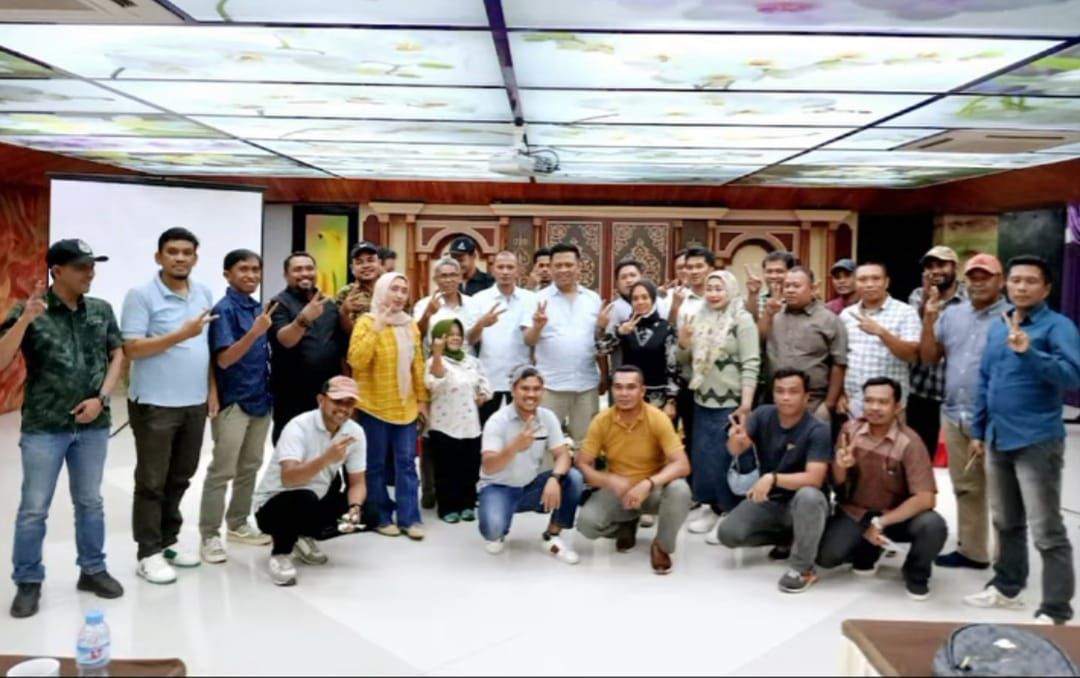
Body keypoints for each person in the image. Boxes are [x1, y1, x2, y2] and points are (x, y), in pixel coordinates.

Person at [2, 240, 125, 619]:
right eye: (81, 267)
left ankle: (92, 569)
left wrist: (102, 398)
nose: (90, 273)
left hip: (93, 425)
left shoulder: (101, 310)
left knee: (90, 502)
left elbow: (118, 354)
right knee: (34, 508)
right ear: (57, 270)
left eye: (92, 266)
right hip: (45, 426)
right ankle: (28, 580)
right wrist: (24, 320)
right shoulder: (30, 309)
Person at [963, 255, 1080, 625]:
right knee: (1005, 521)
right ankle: (1007, 586)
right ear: (1006, 285)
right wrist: (978, 430)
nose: (1021, 287)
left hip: (1036, 440)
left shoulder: (1058, 326)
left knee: (1046, 528)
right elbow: (986, 380)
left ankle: (1056, 608)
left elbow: (1072, 376)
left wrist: (1029, 352)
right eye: (1015, 280)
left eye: (1031, 281)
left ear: (1046, 289)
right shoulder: (1000, 326)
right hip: (997, 437)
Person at [121, 227, 216, 585]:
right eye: (172, 251)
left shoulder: (203, 292)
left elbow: (204, 349)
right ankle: (148, 553)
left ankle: (167, 541)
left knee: (181, 476)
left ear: (195, 257)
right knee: (151, 481)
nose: (180, 258)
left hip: (194, 402)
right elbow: (132, 349)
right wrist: (180, 334)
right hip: (155, 404)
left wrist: (211, 391)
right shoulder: (141, 295)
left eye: (187, 252)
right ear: (158, 257)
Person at [817, 378, 947, 601]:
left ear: (897, 407)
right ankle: (868, 550)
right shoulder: (850, 430)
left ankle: (916, 573)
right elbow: (837, 485)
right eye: (869, 401)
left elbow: (926, 498)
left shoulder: (910, 442)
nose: (874, 407)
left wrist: (881, 522)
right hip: (856, 511)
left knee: (932, 525)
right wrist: (841, 466)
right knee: (826, 558)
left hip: (895, 516)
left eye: (883, 402)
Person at [919, 253, 1007, 571]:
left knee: (1002, 492)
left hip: (998, 418)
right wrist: (929, 320)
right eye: (973, 277)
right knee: (966, 487)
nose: (978, 282)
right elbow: (929, 357)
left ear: (1001, 281)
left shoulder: (1013, 318)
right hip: (955, 413)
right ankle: (973, 551)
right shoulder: (952, 315)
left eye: (986, 276)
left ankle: (1008, 562)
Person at [715, 369, 832, 593]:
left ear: (806, 397)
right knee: (728, 534)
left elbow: (815, 478)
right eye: (780, 391)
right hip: (771, 499)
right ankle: (788, 539)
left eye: (793, 392)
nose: (785, 397)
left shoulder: (819, 429)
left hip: (805, 503)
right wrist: (736, 439)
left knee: (809, 496)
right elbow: (736, 449)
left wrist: (773, 478)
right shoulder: (763, 414)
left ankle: (802, 568)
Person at [576, 366, 692, 574]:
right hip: (618, 490)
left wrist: (648, 483)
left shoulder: (657, 418)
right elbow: (583, 463)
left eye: (631, 387)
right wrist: (608, 481)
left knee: (680, 490)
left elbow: (682, 464)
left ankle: (662, 545)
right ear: (612, 390)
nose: (624, 393)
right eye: (618, 387)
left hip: (652, 490)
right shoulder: (601, 421)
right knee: (587, 525)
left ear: (642, 390)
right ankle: (626, 525)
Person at [198, 250, 275, 564]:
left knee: (251, 465)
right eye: (243, 269)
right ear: (227, 274)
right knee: (222, 469)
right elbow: (225, 359)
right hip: (234, 401)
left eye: (256, 269)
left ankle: (239, 523)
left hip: (261, 399)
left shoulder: (258, 307)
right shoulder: (224, 310)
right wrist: (255, 332)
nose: (251, 275)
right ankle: (209, 534)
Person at [253, 377, 367, 587]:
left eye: (349, 403)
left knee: (372, 508)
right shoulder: (298, 426)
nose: (343, 408)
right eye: (337, 401)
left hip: (314, 500)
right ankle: (281, 553)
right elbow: (289, 478)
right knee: (303, 498)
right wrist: (326, 458)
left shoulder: (355, 432)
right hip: (273, 506)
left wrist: (355, 507)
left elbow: (357, 482)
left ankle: (303, 535)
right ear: (321, 400)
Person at [348, 272, 430, 540]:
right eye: (393, 289)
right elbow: (356, 361)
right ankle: (380, 516)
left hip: (405, 407)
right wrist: (377, 327)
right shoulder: (366, 322)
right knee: (375, 466)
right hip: (374, 406)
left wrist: (422, 400)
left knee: (407, 465)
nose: (399, 295)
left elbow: (417, 365)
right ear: (382, 291)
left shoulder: (410, 324)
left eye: (403, 290)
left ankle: (410, 518)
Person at [678, 270, 759, 535]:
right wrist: (684, 343)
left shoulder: (742, 319)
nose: (713, 294)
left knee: (727, 456)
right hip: (702, 399)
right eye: (710, 288)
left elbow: (751, 362)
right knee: (704, 456)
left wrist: (746, 404)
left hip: (731, 403)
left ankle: (728, 511)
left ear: (731, 290)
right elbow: (683, 360)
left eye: (719, 288)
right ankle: (709, 506)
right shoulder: (699, 316)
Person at [477, 365, 584, 564]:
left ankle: (552, 535)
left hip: (530, 486)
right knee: (493, 531)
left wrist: (554, 478)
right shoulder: (497, 421)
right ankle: (499, 529)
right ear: (513, 390)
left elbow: (562, 455)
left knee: (574, 478)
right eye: (525, 388)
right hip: (498, 487)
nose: (531, 394)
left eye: (536, 389)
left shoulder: (547, 417)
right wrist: (513, 447)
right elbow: (488, 467)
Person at [523, 242, 604, 449]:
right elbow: (528, 341)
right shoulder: (537, 299)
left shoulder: (593, 299)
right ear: (550, 268)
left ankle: (583, 472)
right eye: (558, 265)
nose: (563, 270)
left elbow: (598, 342)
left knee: (587, 445)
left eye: (568, 265)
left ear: (579, 267)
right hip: (550, 385)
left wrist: (604, 374)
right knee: (543, 444)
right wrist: (538, 326)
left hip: (586, 384)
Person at [268, 252, 349, 444]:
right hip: (291, 394)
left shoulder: (328, 303)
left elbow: (340, 346)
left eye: (309, 268)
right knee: (291, 447)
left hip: (326, 393)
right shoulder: (278, 304)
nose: (305, 273)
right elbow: (285, 340)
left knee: (325, 446)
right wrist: (304, 319)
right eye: (297, 269)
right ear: (286, 275)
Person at [425, 319, 492, 523]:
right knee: (447, 469)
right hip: (444, 425)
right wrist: (437, 354)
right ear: (439, 338)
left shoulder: (471, 361)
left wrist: (483, 395)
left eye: (458, 334)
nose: (455, 338)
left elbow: (485, 383)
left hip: (470, 425)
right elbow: (434, 384)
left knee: (469, 467)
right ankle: (448, 508)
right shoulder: (433, 361)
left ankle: (467, 505)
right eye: (449, 334)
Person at [760, 266, 847, 420]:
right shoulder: (775, 314)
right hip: (775, 399)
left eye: (796, 286)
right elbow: (759, 340)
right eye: (787, 286)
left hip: (813, 402)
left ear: (812, 289)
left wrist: (829, 404)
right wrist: (768, 314)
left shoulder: (829, 319)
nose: (790, 290)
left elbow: (839, 363)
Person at [839, 262, 921, 418]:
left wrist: (882, 333)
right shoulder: (847, 314)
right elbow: (841, 358)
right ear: (855, 283)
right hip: (854, 402)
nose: (869, 284)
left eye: (876, 278)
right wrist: (841, 394)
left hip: (890, 403)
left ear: (887, 282)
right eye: (863, 279)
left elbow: (912, 355)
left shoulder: (905, 312)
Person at [907, 246, 966, 460]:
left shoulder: (968, 298)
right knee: (920, 455)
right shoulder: (917, 295)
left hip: (957, 392)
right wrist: (926, 300)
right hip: (923, 389)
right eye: (930, 266)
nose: (935, 271)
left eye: (941, 265)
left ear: (954, 267)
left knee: (959, 458)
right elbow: (914, 333)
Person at [467, 250, 535, 425]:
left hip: (521, 377)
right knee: (486, 429)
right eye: (501, 267)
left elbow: (533, 340)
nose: (505, 272)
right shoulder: (479, 299)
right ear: (492, 270)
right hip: (488, 377)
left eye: (510, 267)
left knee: (521, 430)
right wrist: (481, 324)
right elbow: (470, 340)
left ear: (518, 271)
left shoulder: (530, 299)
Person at [596, 280, 678, 414]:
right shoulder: (624, 326)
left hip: (657, 397)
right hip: (628, 394)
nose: (640, 302)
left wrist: (671, 400)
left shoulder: (666, 328)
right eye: (635, 298)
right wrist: (619, 332)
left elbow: (672, 367)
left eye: (645, 297)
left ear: (653, 299)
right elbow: (600, 350)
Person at [668, 246, 715, 457]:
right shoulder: (680, 300)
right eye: (689, 267)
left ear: (711, 268)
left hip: (717, 380)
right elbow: (670, 335)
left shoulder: (723, 298)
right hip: (687, 379)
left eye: (699, 266)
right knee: (690, 436)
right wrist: (675, 307)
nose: (693, 271)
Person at [414, 256, 476, 350]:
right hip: (435, 358)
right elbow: (416, 336)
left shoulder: (473, 304)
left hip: (467, 358)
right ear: (435, 279)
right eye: (443, 276)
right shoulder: (423, 305)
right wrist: (427, 314)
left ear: (460, 278)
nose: (448, 280)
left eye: (453, 275)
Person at [335, 241, 381, 332]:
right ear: (352, 268)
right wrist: (344, 311)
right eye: (359, 262)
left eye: (370, 260)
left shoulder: (389, 290)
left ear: (379, 263)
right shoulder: (345, 293)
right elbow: (343, 332)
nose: (366, 266)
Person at [745, 250, 796, 323]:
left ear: (792, 272)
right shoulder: (758, 299)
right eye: (769, 271)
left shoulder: (798, 299)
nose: (773, 276)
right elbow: (752, 325)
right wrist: (753, 294)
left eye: (779, 271)